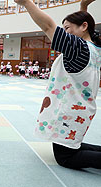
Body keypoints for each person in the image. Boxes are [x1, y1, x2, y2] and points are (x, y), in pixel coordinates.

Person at [15, 0, 101, 169]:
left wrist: (26, 3)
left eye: (67, 28)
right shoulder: (96, 49)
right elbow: (86, 28)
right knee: (72, 145)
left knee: (65, 157)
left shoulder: (79, 47)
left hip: (69, 109)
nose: (64, 32)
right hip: (83, 108)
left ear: (83, 27)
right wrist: (83, 8)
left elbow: (47, 26)